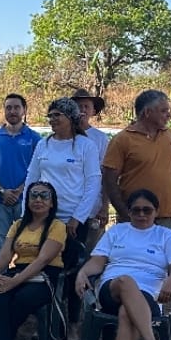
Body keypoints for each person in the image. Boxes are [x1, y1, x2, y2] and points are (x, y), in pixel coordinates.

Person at [74, 189, 171, 340]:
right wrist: (82, 273)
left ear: (156, 212)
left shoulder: (165, 235)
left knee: (128, 312)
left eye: (147, 210)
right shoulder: (117, 232)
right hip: (112, 288)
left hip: (149, 295)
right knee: (126, 281)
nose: (142, 215)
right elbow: (98, 261)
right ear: (128, 212)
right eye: (136, 210)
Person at [24, 98, 102, 334]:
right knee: (46, 267)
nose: (53, 120)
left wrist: (78, 218)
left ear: (71, 119)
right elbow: (32, 177)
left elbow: (92, 183)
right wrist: (26, 215)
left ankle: (74, 320)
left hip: (73, 220)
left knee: (73, 268)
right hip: (45, 217)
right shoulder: (43, 145)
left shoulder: (84, 146)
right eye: (51, 115)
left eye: (58, 115)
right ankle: (46, 320)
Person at [0, 182, 66, 340]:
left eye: (44, 196)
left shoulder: (57, 226)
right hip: (18, 270)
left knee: (21, 298)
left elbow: (42, 260)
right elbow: (5, 253)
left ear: (52, 203)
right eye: (34, 195)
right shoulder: (18, 225)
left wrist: (13, 282)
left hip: (44, 277)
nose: (38, 200)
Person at [102, 90, 171, 230]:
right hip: (136, 218)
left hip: (165, 217)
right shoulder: (123, 140)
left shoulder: (167, 134)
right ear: (147, 112)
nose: (168, 115)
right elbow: (109, 179)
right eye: (163, 111)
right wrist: (125, 214)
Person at [0, 94, 42, 262]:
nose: (12, 111)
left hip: (27, 200)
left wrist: (21, 190)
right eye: (8, 107)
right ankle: (0, 280)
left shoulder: (34, 138)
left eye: (16, 107)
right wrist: (2, 191)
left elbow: (38, 170)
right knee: (1, 243)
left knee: (27, 243)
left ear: (24, 110)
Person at [71, 88, 111, 238]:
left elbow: (106, 173)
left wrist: (105, 206)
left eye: (86, 106)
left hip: (93, 206)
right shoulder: (60, 137)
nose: (82, 110)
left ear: (93, 111)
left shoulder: (100, 138)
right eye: (77, 106)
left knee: (92, 252)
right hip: (67, 208)